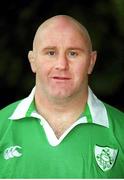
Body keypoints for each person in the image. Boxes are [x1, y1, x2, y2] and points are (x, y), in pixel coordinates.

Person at [0, 15, 124, 179]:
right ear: (33, 60)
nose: (61, 65)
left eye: (73, 53)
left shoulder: (121, 130)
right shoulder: (2, 125)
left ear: (91, 62)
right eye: (51, 53)